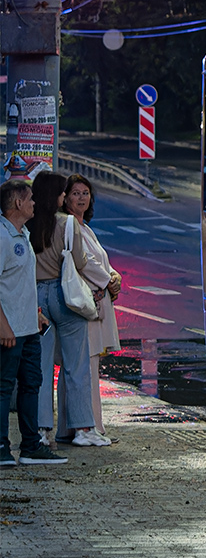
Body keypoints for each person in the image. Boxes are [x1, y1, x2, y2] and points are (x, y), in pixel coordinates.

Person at [30, 171, 110, 448]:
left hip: (36, 298)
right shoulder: (66, 224)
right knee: (75, 367)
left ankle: (40, 432)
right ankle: (82, 430)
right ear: (57, 195)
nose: (67, 196)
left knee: (39, 370)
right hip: (64, 296)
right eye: (64, 192)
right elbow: (78, 261)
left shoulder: (28, 224)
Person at [0, 179, 66, 465]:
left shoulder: (22, 234)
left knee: (32, 384)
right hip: (9, 330)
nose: (34, 204)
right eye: (30, 200)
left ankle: (30, 446)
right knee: (3, 388)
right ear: (17, 203)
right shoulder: (2, 237)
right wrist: (3, 325)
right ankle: (1, 448)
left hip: (28, 327)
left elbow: (20, 283)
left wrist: (35, 312)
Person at [61, 175, 121, 437]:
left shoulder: (85, 227)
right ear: (65, 198)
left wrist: (113, 276)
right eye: (75, 193)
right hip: (86, 306)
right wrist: (109, 280)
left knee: (84, 365)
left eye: (85, 193)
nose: (81, 198)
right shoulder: (70, 226)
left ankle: (77, 426)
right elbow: (83, 263)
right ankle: (88, 427)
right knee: (85, 367)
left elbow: (100, 262)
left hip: (94, 302)